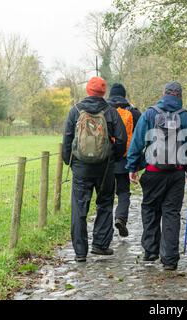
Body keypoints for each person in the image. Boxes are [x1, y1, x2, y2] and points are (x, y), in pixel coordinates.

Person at [126, 81, 187, 271]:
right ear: (180, 96)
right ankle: (169, 259)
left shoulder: (150, 114)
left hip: (152, 172)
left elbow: (136, 142)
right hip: (176, 174)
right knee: (171, 213)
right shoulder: (186, 117)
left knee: (150, 209)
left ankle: (151, 251)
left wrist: (132, 166)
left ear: (164, 94)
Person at [62, 77, 127, 263]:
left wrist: (70, 161)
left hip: (81, 167)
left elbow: (67, 139)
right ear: (103, 92)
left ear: (88, 90)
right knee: (105, 204)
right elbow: (121, 139)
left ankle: (80, 252)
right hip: (105, 167)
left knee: (79, 207)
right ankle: (100, 245)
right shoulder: (111, 112)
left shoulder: (75, 111)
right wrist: (113, 156)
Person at [107, 83, 141, 238]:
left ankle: (105, 228)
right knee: (123, 192)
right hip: (124, 159)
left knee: (106, 195)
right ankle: (120, 217)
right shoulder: (133, 112)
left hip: (105, 160)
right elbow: (141, 137)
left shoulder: (103, 110)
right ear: (124, 95)